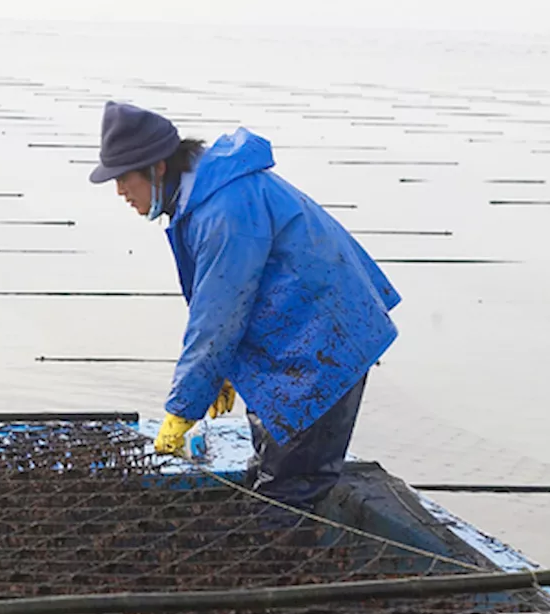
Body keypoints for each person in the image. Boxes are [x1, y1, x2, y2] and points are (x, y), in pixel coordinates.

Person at [89, 101, 401, 510]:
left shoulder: (223, 209)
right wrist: (224, 372)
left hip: (325, 345)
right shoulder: (205, 195)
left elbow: (216, 318)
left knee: (290, 491)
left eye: (124, 179)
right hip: (295, 338)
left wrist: (182, 410)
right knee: (272, 470)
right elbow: (233, 302)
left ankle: (289, 567)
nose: (120, 192)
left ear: (156, 167)